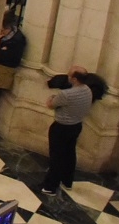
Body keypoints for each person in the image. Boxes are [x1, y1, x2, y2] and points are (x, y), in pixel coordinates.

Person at [42, 64, 104, 196]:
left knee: (56, 156)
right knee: (69, 154)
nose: (68, 77)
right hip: (76, 125)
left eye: (70, 75)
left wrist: (51, 98)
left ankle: (50, 186)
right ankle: (67, 181)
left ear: (75, 79)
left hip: (61, 127)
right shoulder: (87, 90)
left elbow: (50, 105)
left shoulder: (66, 94)